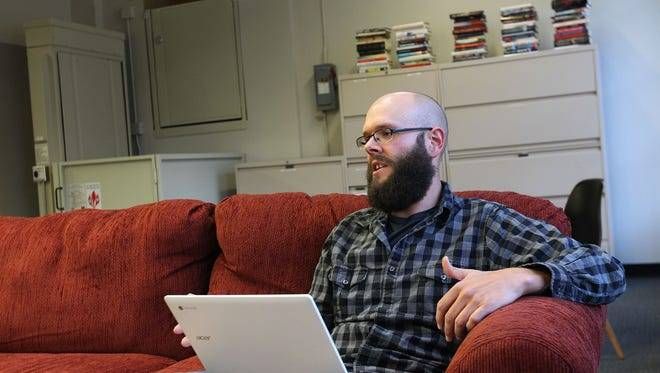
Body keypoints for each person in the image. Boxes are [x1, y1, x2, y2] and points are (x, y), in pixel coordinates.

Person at [175, 91, 626, 372]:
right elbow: (313, 329)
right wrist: (233, 341)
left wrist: (521, 277)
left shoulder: (483, 222)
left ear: (433, 142)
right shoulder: (348, 233)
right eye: (367, 137)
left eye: (386, 133)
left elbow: (607, 270)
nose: (370, 146)